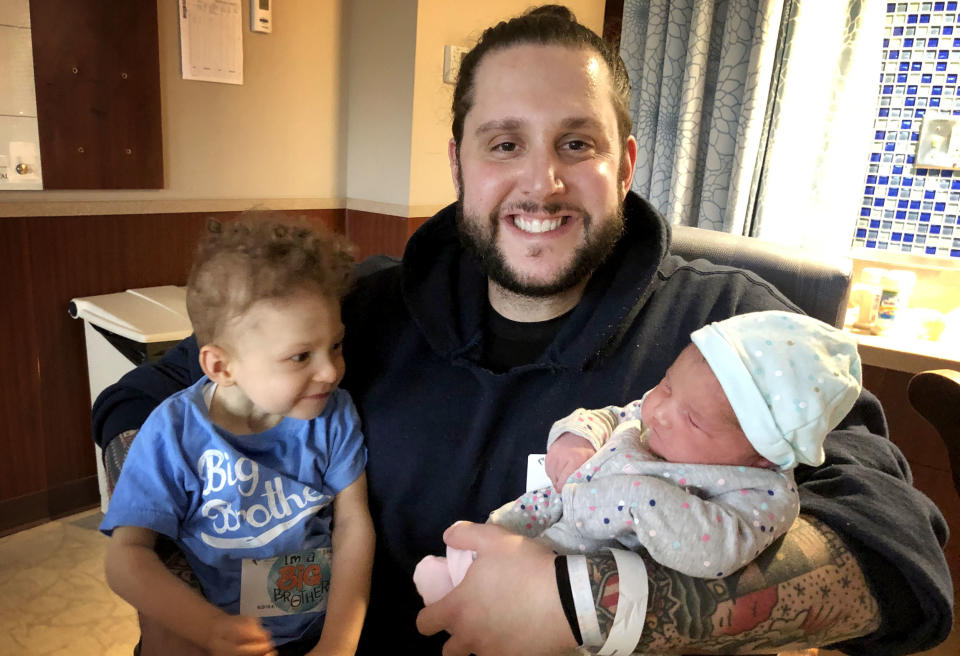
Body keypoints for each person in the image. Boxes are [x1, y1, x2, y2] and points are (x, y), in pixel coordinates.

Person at [92, 5, 952, 655]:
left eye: (576, 143)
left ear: (626, 162)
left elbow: (896, 558)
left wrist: (591, 611)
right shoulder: (352, 312)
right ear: (458, 161)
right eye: (504, 144)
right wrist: (175, 584)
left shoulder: (736, 336)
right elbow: (145, 398)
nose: (541, 183)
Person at [413, 311, 863, 605]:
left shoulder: (759, 492)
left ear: (763, 456)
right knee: (492, 541)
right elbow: (610, 415)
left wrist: (634, 500)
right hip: (549, 513)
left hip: (587, 577)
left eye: (693, 418)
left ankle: (470, 587)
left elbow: (719, 550)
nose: (659, 411)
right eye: (666, 384)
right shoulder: (655, 415)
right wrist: (575, 440)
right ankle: (461, 576)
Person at [100, 217, 374, 656]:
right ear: (220, 367)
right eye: (300, 356)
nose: (330, 371)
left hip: (316, 633)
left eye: (335, 346)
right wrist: (206, 630)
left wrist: (338, 644)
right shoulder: (173, 435)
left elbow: (354, 525)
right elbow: (127, 557)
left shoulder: (332, 412)